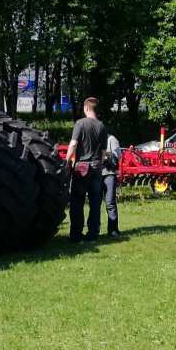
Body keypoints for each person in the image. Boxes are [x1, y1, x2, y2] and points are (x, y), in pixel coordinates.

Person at [65, 97, 109, 242]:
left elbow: (73, 144)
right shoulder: (102, 126)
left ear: (86, 108)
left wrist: (66, 161)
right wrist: (98, 163)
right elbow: (104, 152)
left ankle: (77, 236)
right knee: (95, 203)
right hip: (97, 167)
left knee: (77, 202)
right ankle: (93, 235)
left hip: (82, 167)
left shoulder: (80, 123)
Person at [102, 134, 121, 237]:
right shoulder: (94, 139)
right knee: (94, 204)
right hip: (96, 174)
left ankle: (113, 230)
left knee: (110, 203)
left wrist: (105, 158)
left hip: (109, 174)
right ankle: (93, 231)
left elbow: (118, 155)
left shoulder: (111, 139)